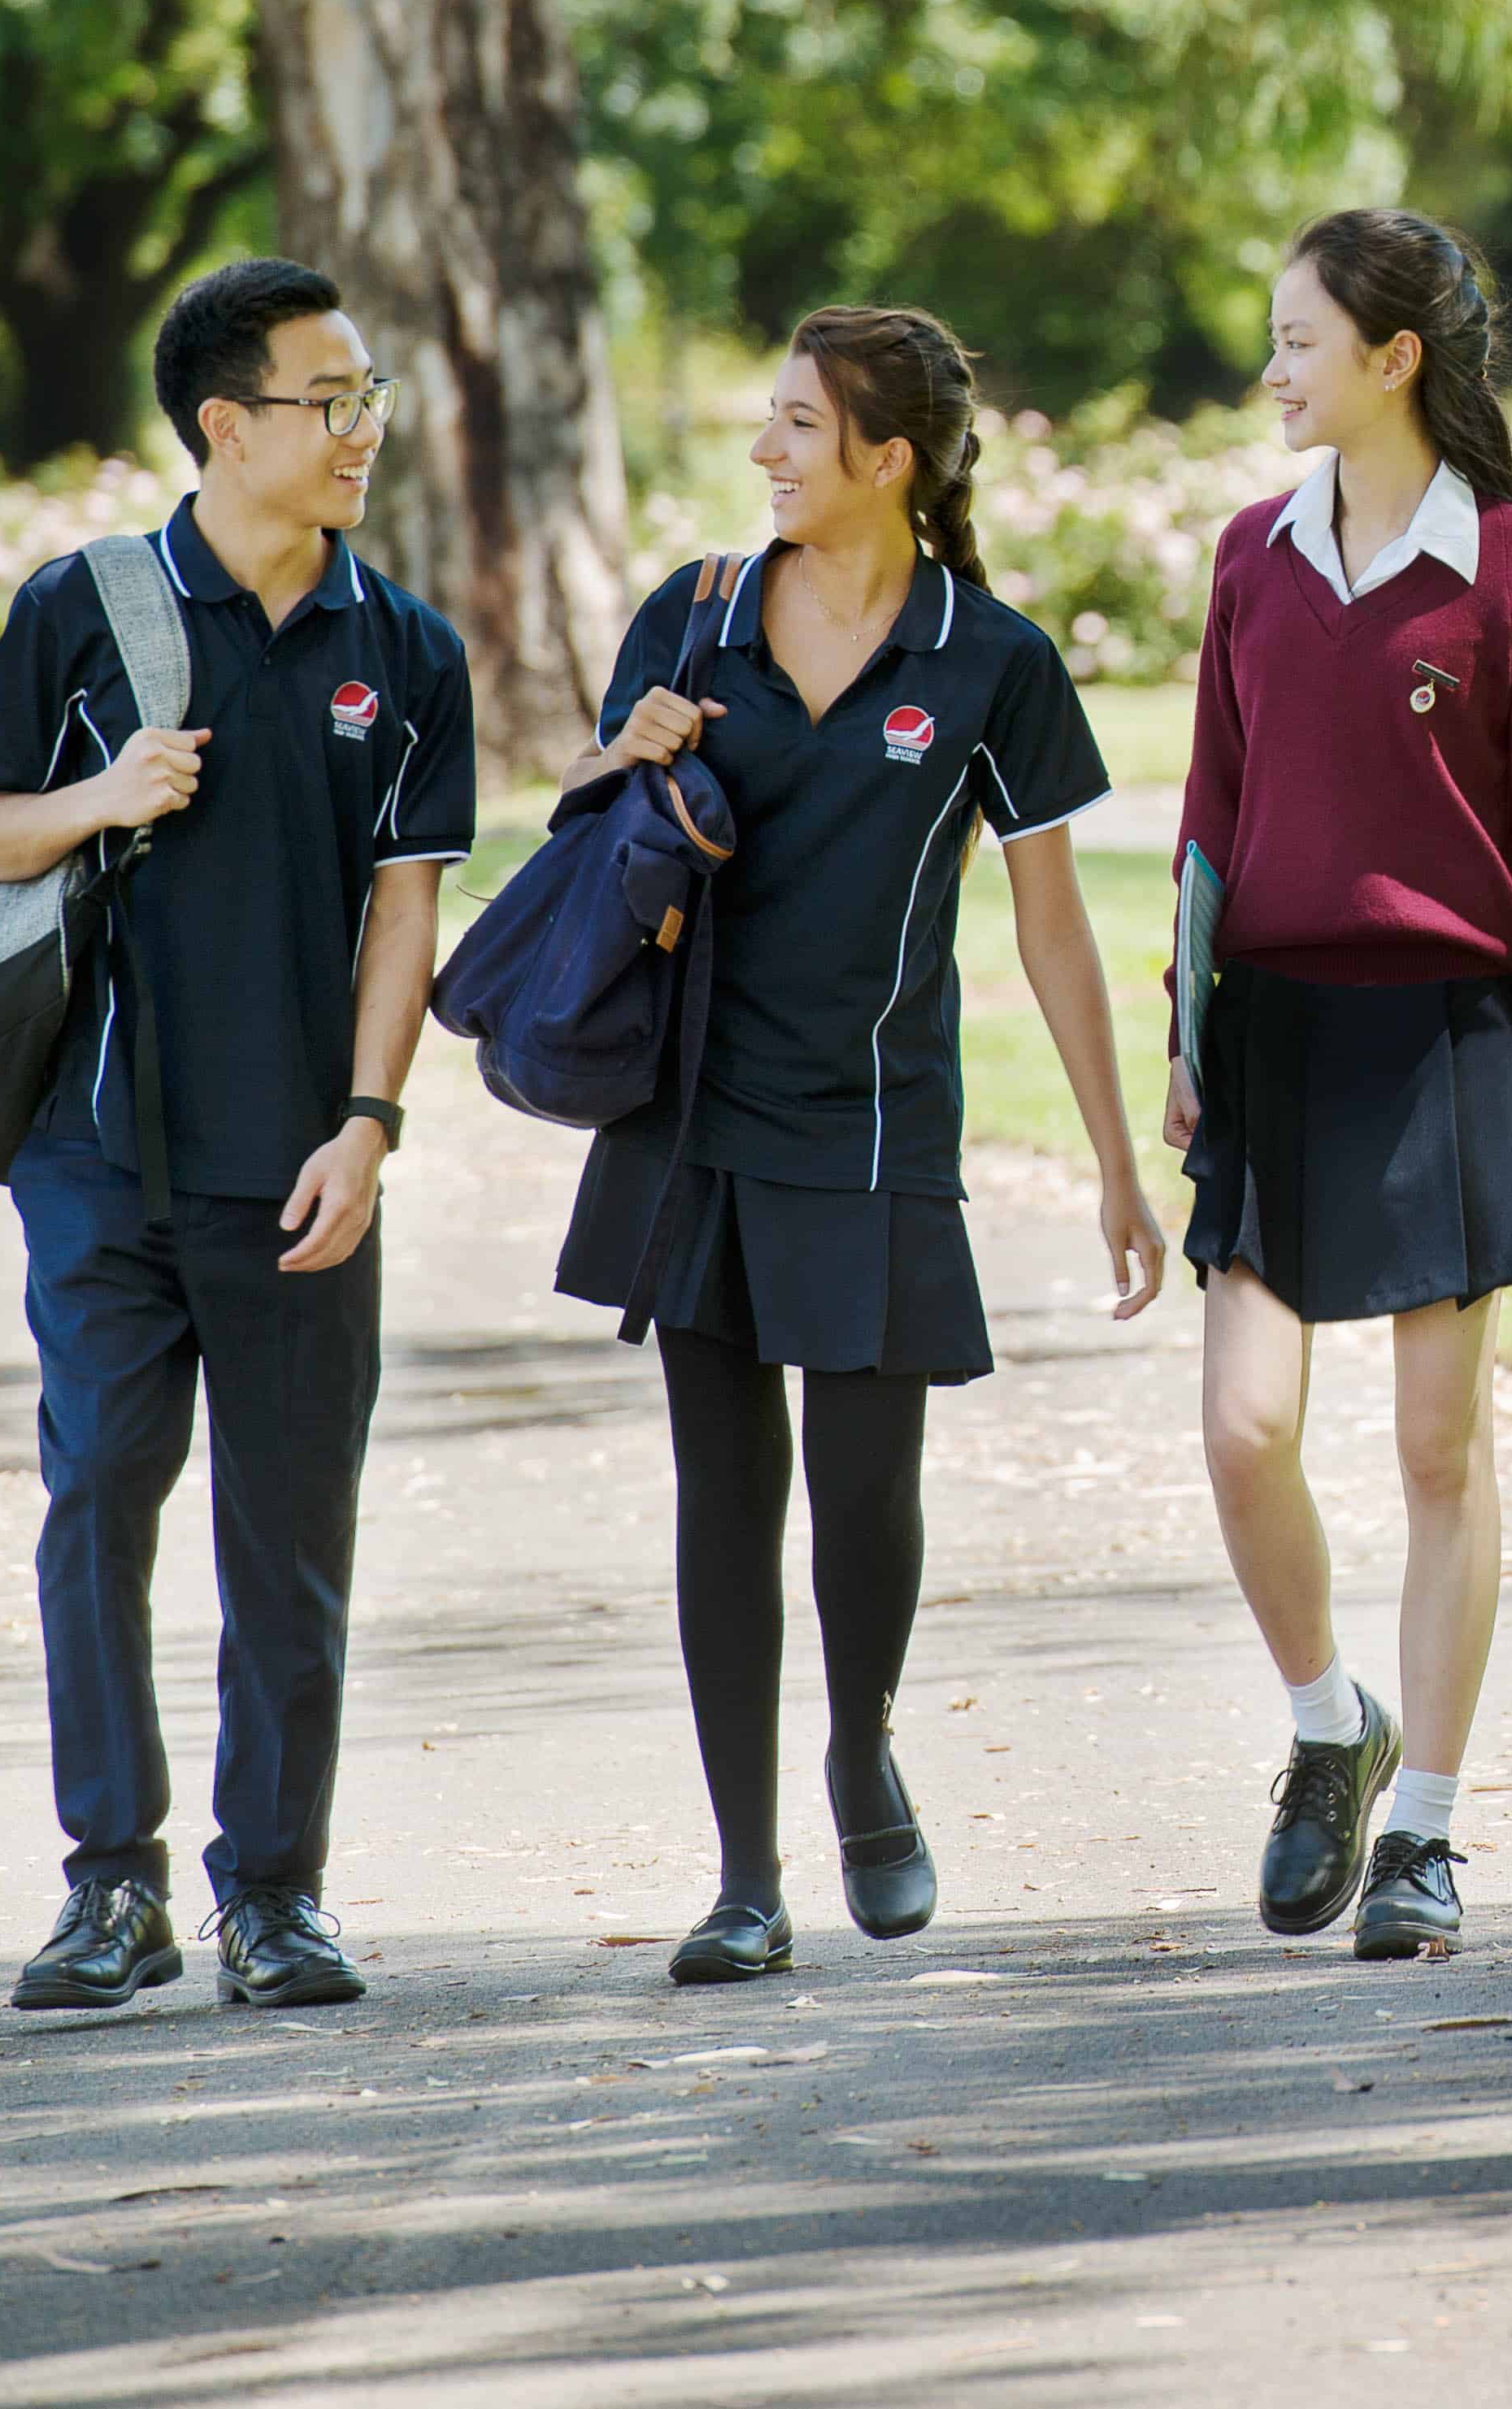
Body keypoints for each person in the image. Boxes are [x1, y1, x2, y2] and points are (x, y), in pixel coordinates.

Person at [554, 308, 1166, 1986]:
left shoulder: (994, 661)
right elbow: (591, 822)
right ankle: (745, 1874)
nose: (766, 451)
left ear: (887, 460)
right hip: (690, 1120)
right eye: (770, 420)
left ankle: (860, 1746)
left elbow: (1052, 929)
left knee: (866, 1496)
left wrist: (1119, 1163)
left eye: (800, 426)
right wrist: (633, 750)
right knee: (723, 1495)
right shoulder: (694, 614)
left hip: (880, 1125)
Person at [0, 258, 476, 2013]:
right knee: (96, 1499)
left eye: (368, 392)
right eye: (329, 400)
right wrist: (103, 792)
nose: (362, 427)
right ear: (224, 425)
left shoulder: (406, 649)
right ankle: (112, 1885)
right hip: (98, 1162)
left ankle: (277, 1894)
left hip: (303, 1167)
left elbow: (407, 913)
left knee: (289, 1534)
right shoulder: (80, 608)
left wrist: (372, 1123)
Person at [1171, 213, 1512, 1963]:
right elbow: (1212, 812)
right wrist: (1193, 1046)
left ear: (1392, 358)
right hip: (1272, 1037)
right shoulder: (1249, 558)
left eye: (1297, 341)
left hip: (1448, 1034)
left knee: (1442, 1445)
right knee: (1241, 1428)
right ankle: (1327, 1722)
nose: (1274, 370)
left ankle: (1423, 1827)